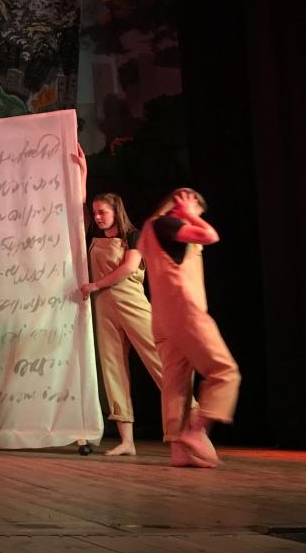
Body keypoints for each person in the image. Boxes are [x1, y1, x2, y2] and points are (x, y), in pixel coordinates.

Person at [138, 188, 240, 468]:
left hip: (163, 317)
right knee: (225, 371)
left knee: (176, 384)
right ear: (182, 203)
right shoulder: (167, 224)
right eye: (196, 209)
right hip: (184, 312)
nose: (196, 217)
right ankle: (196, 431)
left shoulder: (151, 229)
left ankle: (179, 451)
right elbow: (210, 235)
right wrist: (190, 215)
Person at [79, 193, 165, 456]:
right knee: (113, 369)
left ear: (116, 211)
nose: (97, 217)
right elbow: (79, 206)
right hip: (104, 307)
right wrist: (81, 176)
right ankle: (127, 441)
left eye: (102, 212)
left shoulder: (133, 236)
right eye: (95, 212)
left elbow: (129, 267)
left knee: (159, 359)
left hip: (130, 302)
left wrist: (96, 284)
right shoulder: (94, 237)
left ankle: (191, 424)